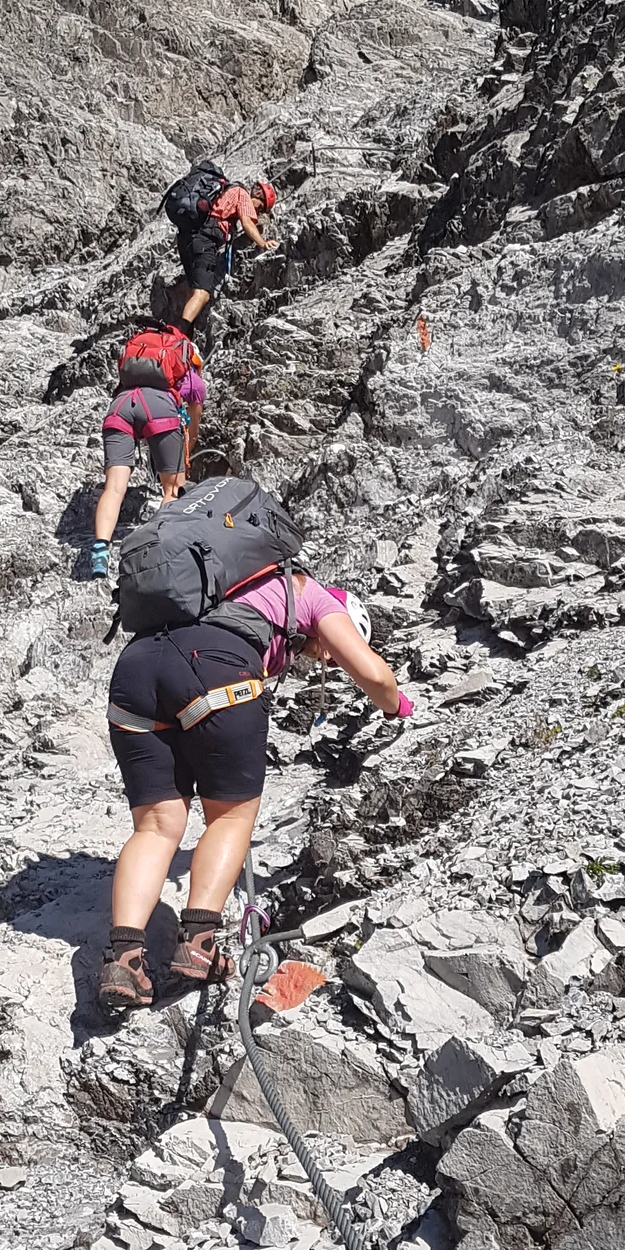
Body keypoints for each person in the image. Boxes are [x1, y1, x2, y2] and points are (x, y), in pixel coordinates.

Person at [98, 573, 411, 1013]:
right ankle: (198, 946)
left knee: (156, 827)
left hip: (136, 669)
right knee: (230, 817)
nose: (327, 662)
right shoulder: (316, 596)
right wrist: (397, 705)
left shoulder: (230, 578)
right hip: (214, 666)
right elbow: (375, 674)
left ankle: (123, 962)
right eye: (332, 658)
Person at [85, 325, 206, 580]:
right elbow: (192, 429)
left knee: (114, 488)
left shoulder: (138, 362)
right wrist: (181, 458)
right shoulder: (191, 376)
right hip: (160, 409)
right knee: (172, 490)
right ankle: (159, 551)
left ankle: (100, 551)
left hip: (120, 406)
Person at [172, 174, 278, 333]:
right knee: (203, 294)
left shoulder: (226, 191)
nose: (258, 212)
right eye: (260, 207)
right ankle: (176, 335)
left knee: (195, 289)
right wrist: (263, 243)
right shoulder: (242, 194)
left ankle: (183, 334)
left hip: (187, 238)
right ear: (257, 195)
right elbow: (247, 222)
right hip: (205, 240)